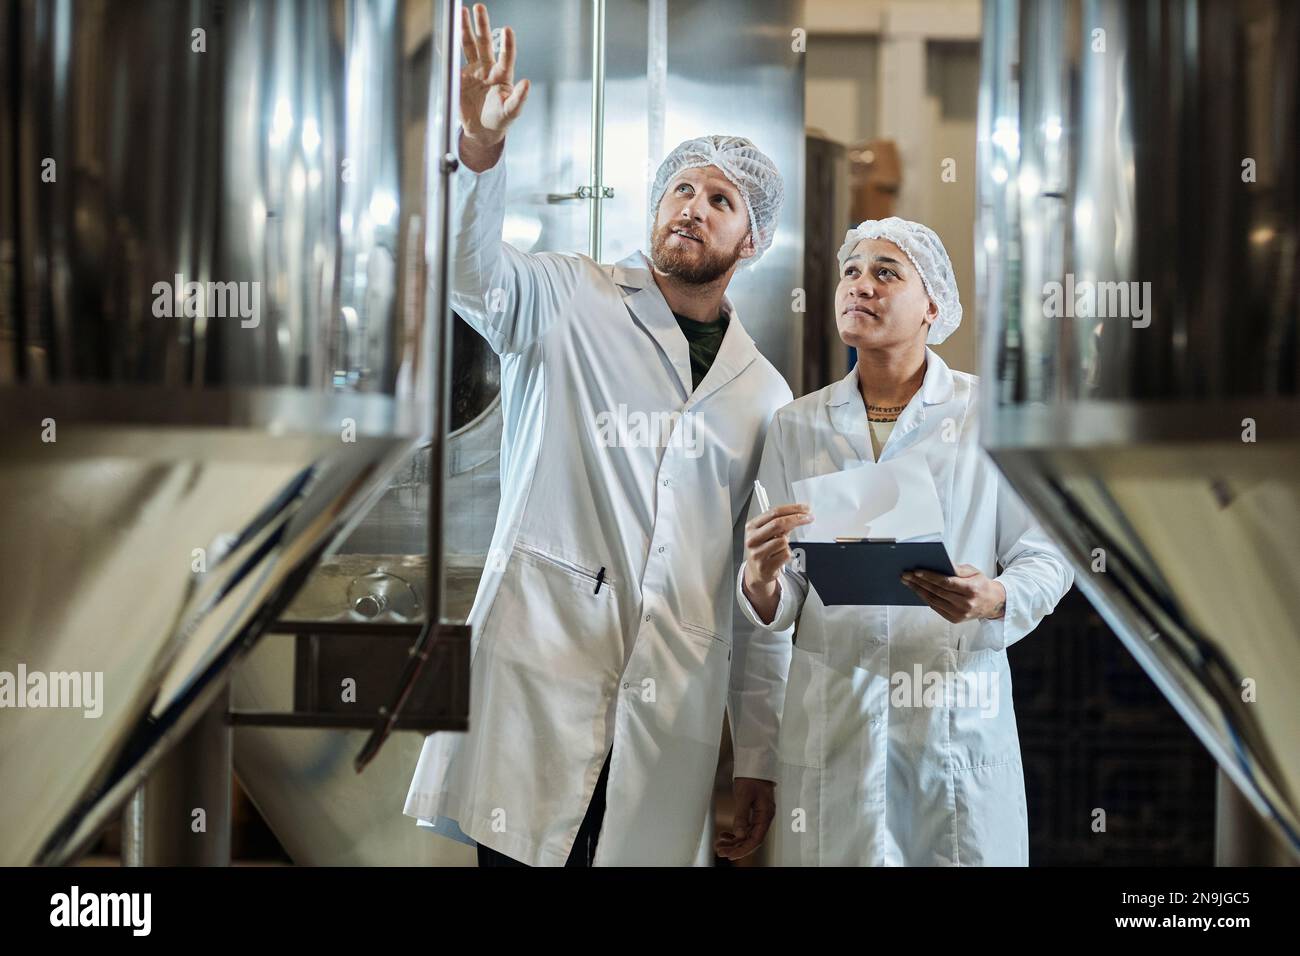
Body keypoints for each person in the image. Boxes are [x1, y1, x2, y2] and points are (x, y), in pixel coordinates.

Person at [404, 3, 792, 866]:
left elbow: (760, 593)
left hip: (666, 712)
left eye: (719, 200)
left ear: (752, 239)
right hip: (541, 671)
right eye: (680, 189)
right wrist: (478, 149)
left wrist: (759, 756)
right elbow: (472, 274)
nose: (692, 207)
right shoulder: (569, 298)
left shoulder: (764, 394)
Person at [730, 217, 1074, 866]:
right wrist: (761, 580)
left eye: (886, 273)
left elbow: (1049, 554)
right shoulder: (797, 425)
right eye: (851, 271)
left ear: (932, 307)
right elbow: (785, 596)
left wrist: (994, 595)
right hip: (834, 721)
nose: (861, 285)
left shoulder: (988, 417)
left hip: (951, 716)